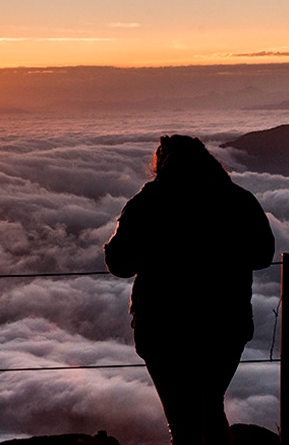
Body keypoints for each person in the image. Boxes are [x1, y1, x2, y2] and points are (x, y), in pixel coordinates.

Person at [105, 135, 275, 445]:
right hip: (226, 324)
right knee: (210, 405)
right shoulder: (238, 200)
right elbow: (263, 254)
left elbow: (120, 262)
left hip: (162, 326)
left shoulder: (148, 202)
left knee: (182, 418)